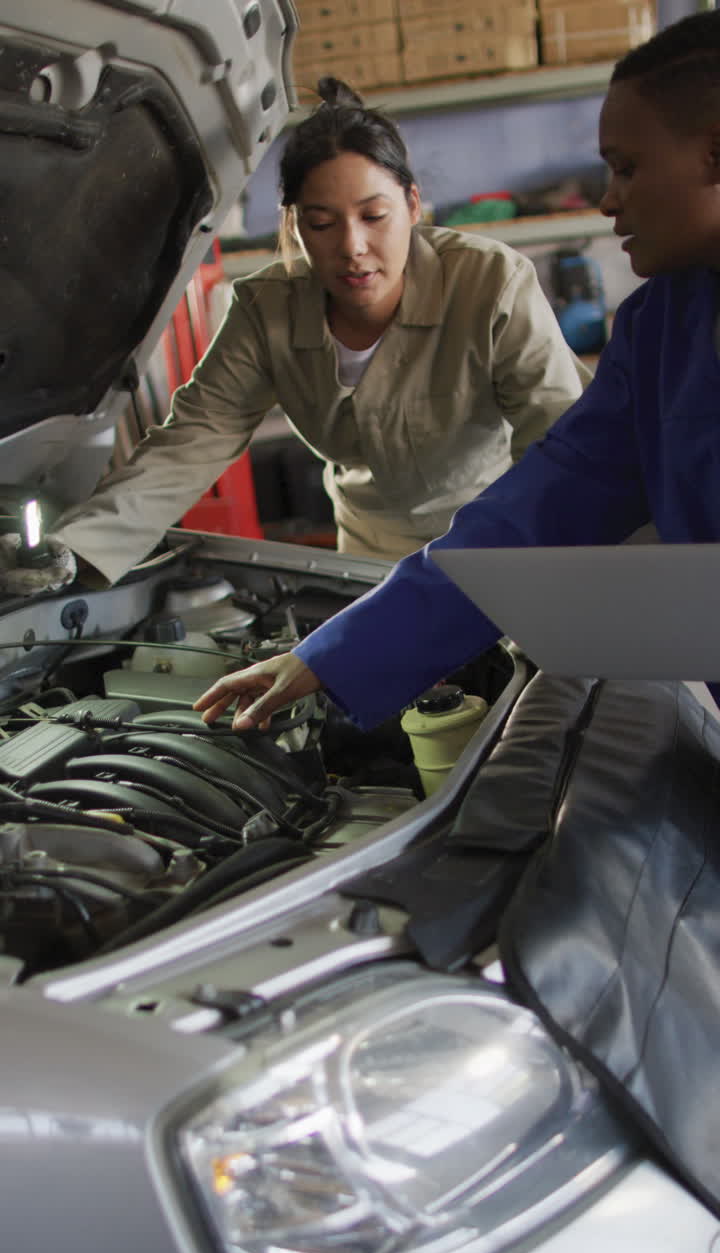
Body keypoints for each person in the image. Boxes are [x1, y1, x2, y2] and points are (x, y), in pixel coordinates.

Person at [193, 8, 720, 735]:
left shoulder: (491, 282)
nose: (606, 198)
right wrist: (332, 653)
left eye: (628, 167)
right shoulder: (660, 331)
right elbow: (535, 513)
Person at [0, 77, 587, 596]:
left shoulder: (490, 282)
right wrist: (78, 546)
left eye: (374, 216)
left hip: (499, 541)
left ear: (412, 204)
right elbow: (194, 439)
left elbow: (556, 444)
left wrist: (537, 582)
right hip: (370, 556)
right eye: (322, 223)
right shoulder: (265, 310)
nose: (352, 247)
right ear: (295, 225)